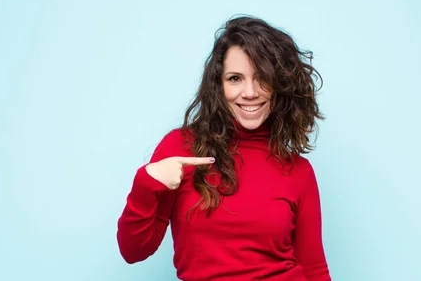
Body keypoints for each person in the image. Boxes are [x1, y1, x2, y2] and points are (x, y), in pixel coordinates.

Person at [117, 15, 331, 281]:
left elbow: (314, 269)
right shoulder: (180, 148)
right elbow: (133, 250)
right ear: (218, 84)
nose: (250, 92)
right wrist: (146, 184)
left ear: (280, 84)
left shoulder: (298, 170)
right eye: (235, 78)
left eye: (262, 77)